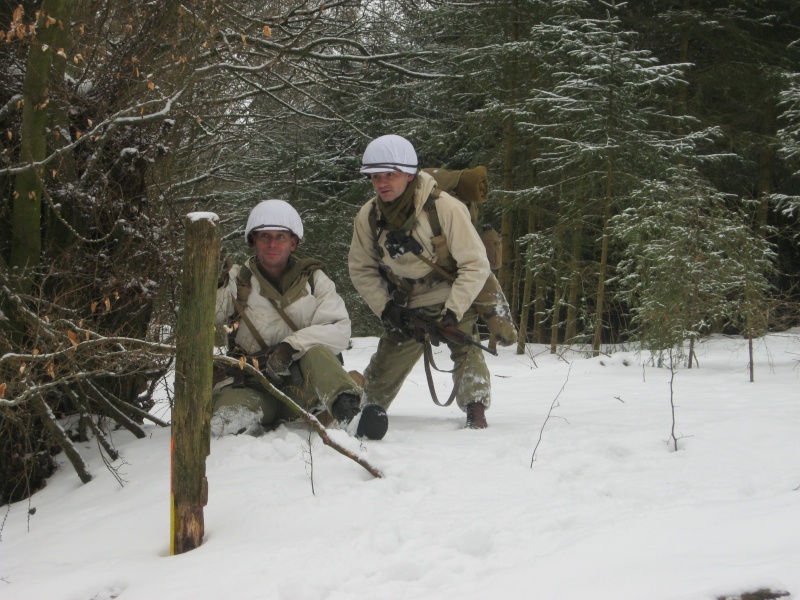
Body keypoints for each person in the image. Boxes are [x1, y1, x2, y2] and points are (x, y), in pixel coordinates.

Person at [348, 134, 493, 428]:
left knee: (467, 349)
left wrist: (453, 312)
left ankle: (476, 412)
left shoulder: (446, 208)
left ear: (409, 174)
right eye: (375, 177)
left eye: (390, 174)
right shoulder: (368, 216)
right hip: (407, 306)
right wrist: (387, 309)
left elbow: (475, 264)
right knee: (377, 382)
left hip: (451, 295)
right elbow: (361, 268)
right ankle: (363, 412)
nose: (382, 183)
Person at [212, 199, 388, 439]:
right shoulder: (235, 279)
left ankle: (350, 415)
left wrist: (290, 347)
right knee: (228, 421)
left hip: (303, 385)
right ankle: (252, 428)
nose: (272, 244)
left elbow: (338, 329)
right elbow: (209, 315)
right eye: (264, 236)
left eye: (281, 237)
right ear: (253, 241)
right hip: (252, 386)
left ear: (293, 242)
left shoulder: (315, 281)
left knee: (317, 351)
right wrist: (212, 281)